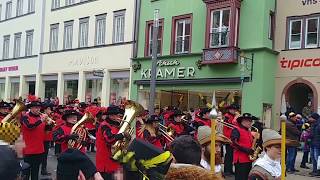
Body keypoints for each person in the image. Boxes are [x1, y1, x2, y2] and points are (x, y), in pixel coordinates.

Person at [21, 97, 51, 180]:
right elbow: (30, 126)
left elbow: (46, 133)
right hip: (28, 150)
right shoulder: (25, 117)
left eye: (39, 107)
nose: (38, 109)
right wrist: (41, 120)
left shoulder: (41, 118)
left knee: (35, 173)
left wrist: (49, 124)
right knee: (26, 174)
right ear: (31, 108)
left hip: (39, 149)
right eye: (36, 107)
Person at [96, 106, 128, 180]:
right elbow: (109, 139)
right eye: (114, 115)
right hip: (105, 160)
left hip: (114, 160)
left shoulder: (116, 125)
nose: (117, 117)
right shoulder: (104, 125)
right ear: (110, 116)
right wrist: (122, 134)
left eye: (117, 115)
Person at [231, 113, 255, 180]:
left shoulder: (249, 131)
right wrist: (246, 149)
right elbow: (234, 143)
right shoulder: (236, 130)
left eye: (251, 121)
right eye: (248, 121)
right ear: (242, 121)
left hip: (248, 159)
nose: (250, 123)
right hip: (240, 160)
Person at [223, 104, 239, 176]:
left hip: (232, 137)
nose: (234, 111)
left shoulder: (232, 116)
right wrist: (236, 118)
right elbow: (231, 125)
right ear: (229, 110)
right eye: (233, 109)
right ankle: (227, 170)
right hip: (228, 138)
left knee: (231, 155)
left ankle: (230, 170)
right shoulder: (227, 116)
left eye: (235, 109)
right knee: (229, 155)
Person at [40, 103, 54, 176]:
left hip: (47, 138)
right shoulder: (42, 117)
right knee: (43, 155)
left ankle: (43, 169)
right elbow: (43, 128)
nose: (50, 110)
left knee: (44, 155)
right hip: (43, 138)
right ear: (45, 110)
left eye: (50, 109)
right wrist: (49, 124)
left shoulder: (49, 117)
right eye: (48, 109)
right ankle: (43, 169)